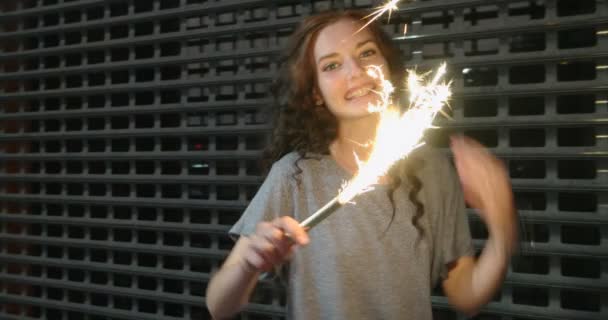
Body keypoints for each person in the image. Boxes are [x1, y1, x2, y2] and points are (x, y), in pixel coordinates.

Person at [206, 9, 517, 320]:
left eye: (367, 52)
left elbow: (466, 297)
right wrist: (249, 260)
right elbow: (219, 306)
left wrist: (502, 229)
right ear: (316, 93)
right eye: (332, 65)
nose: (356, 71)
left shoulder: (432, 171)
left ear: (386, 64)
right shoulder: (295, 176)